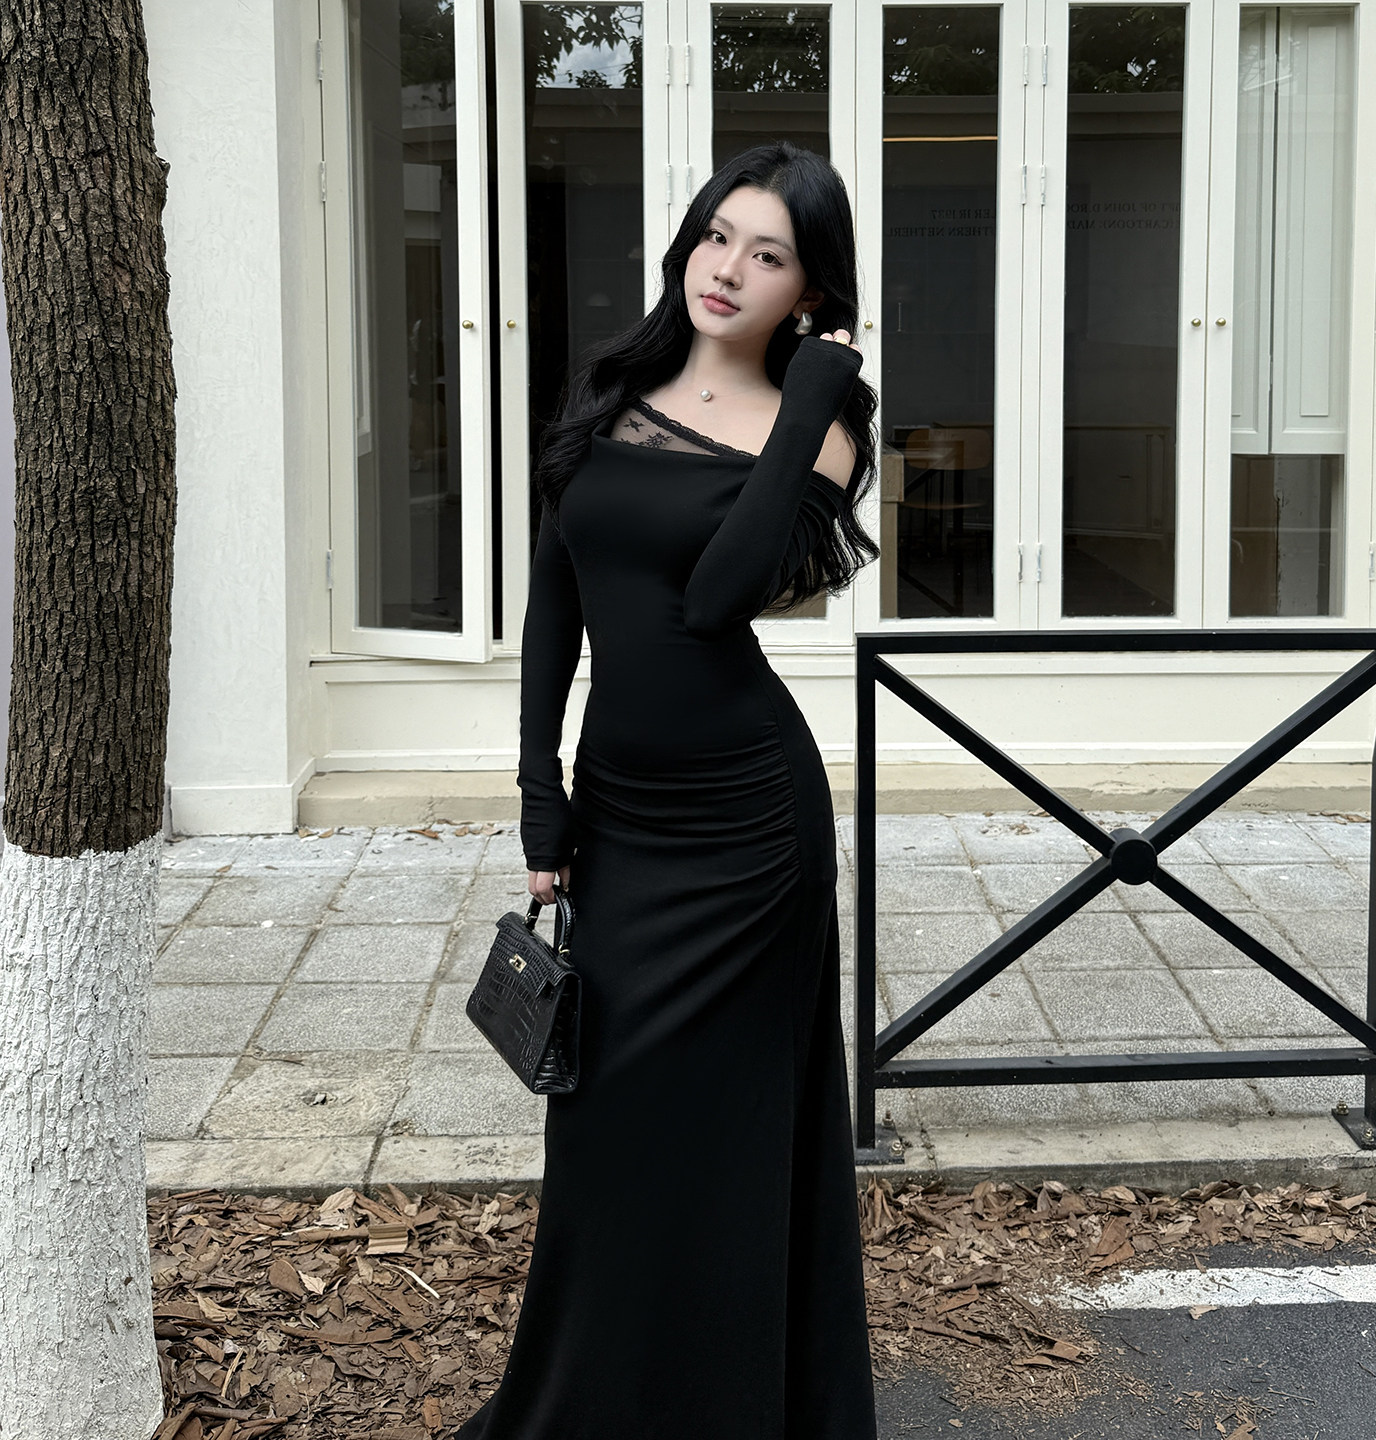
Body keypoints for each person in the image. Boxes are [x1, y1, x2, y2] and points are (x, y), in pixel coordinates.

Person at [453, 140, 881, 1440]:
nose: (728, 268)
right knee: (604, 1132)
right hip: (623, 819)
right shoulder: (611, 389)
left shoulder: (823, 431)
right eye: (717, 235)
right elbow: (554, 603)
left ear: (809, 292)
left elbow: (716, 599)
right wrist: (540, 794)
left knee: (727, 1138)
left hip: (748, 833)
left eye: (769, 254)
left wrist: (812, 395)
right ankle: (591, 1401)